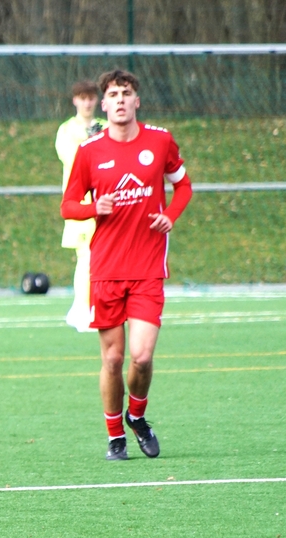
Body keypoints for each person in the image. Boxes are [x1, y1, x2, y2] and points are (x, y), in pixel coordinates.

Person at [60, 69, 192, 461]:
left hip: (148, 267)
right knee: (113, 359)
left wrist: (171, 215)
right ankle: (115, 435)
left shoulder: (160, 141)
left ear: (137, 101)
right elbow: (68, 205)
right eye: (113, 94)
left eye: (126, 93)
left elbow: (183, 185)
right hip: (105, 269)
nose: (120, 100)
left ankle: (136, 415)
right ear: (104, 104)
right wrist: (92, 208)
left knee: (142, 357)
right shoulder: (90, 151)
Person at [55, 80, 107, 332]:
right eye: (82, 98)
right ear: (75, 100)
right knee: (86, 257)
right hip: (82, 205)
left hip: (108, 204)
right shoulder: (67, 130)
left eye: (91, 98)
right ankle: (83, 309)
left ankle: (92, 307)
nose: (87, 103)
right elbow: (74, 160)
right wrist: (92, 142)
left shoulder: (106, 127)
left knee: (104, 259)